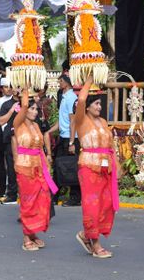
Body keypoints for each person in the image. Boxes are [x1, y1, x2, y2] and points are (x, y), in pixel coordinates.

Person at [73, 77, 118, 259]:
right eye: (97, 103)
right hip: (89, 168)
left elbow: (111, 146)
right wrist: (90, 79)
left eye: (100, 104)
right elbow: (81, 100)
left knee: (106, 205)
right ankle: (95, 242)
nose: (100, 107)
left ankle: (86, 235)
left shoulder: (103, 122)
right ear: (89, 105)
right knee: (93, 205)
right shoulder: (81, 120)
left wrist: (117, 165)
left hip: (106, 168)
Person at [13, 88, 58, 251]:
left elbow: (40, 147)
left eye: (35, 109)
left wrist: (47, 160)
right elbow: (23, 106)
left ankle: (33, 232)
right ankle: (26, 236)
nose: (33, 111)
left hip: (38, 167)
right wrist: (26, 88)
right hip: (25, 168)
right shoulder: (18, 124)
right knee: (28, 202)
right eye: (31, 108)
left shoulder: (36, 125)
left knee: (43, 200)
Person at [55, 74, 81, 206]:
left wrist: (71, 142)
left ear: (66, 83)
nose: (59, 83)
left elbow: (73, 121)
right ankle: (55, 195)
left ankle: (75, 198)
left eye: (60, 81)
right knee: (60, 166)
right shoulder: (63, 96)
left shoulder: (71, 97)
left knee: (72, 168)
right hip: (63, 136)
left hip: (71, 138)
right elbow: (62, 120)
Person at [0, 88, 19, 203]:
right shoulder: (7, 104)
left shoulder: (29, 104)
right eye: (16, 86)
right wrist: (12, 110)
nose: (18, 89)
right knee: (11, 167)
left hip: (25, 139)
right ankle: (12, 194)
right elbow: (0, 121)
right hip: (10, 138)